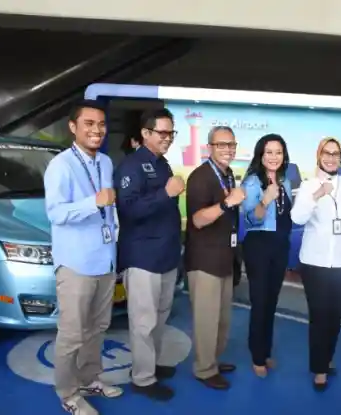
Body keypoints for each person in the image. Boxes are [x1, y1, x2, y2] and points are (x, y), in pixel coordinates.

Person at [44, 99, 122, 415]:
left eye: (101, 124)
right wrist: (94, 202)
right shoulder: (60, 165)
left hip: (104, 260)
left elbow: (111, 209)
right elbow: (56, 213)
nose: (97, 130)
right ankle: (68, 394)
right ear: (73, 127)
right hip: (76, 264)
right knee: (72, 334)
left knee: (98, 327)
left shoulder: (105, 162)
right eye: (89, 123)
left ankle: (90, 378)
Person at [113, 108, 184, 401]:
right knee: (143, 322)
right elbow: (127, 211)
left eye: (171, 133)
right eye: (163, 133)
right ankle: (142, 378)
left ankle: (150, 364)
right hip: (142, 257)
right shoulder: (131, 166)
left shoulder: (162, 164)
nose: (168, 138)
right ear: (145, 134)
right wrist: (165, 194)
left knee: (160, 316)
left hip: (166, 256)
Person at [291, 137, 341, 391]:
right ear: (318, 155)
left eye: (336, 154)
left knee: (335, 316)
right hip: (315, 262)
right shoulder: (308, 185)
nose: (331, 157)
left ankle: (327, 356)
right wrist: (316, 195)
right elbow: (297, 218)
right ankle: (319, 368)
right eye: (327, 153)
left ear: (340, 158)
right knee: (319, 316)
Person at [184, 126, 245, 390]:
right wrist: (226, 204)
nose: (228, 149)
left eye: (231, 144)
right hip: (205, 261)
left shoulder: (227, 174)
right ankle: (204, 369)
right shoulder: (200, 177)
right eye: (222, 145)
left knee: (221, 318)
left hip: (224, 258)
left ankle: (213, 361)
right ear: (209, 147)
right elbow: (197, 220)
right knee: (206, 320)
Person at [240, 134, 293, 377]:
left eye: (278, 152)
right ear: (261, 155)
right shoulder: (252, 182)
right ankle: (257, 356)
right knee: (260, 302)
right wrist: (265, 199)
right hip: (259, 245)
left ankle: (266, 351)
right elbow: (251, 218)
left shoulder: (286, 182)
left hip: (280, 245)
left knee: (271, 302)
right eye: (269, 152)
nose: (274, 157)